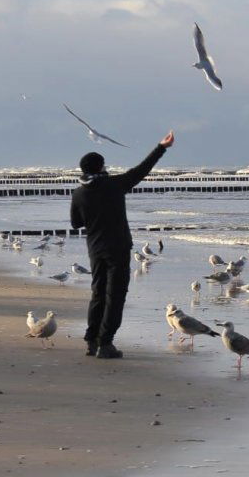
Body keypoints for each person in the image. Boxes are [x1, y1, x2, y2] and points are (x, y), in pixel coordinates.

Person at [70, 130, 175, 358]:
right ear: (100, 167)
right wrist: (161, 147)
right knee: (115, 297)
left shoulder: (78, 193)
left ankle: (91, 341)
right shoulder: (114, 185)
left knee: (98, 294)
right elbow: (141, 170)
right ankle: (105, 344)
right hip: (117, 248)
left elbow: (75, 223)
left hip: (95, 249)